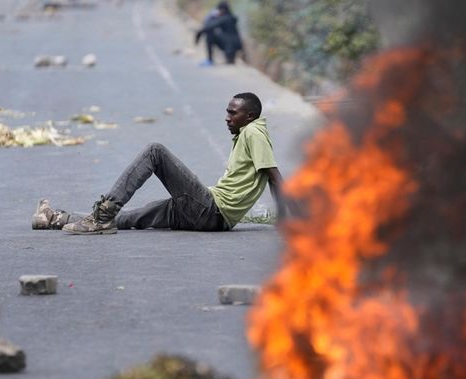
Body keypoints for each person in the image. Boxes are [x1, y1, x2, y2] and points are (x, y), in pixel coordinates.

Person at [32, 92, 294, 234]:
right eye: (227, 111)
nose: (226, 118)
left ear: (249, 116)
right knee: (126, 220)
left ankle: (101, 214)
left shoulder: (254, 132)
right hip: (206, 212)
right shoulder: (246, 132)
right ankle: (54, 218)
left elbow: (273, 175)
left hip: (211, 211)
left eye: (232, 113)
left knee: (155, 152)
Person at [194, 1, 244, 65]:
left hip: (229, 47)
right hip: (234, 46)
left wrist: (199, 33)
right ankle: (230, 58)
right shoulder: (231, 17)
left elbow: (209, 27)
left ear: (222, 10)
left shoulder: (224, 18)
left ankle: (210, 60)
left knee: (210, 34)